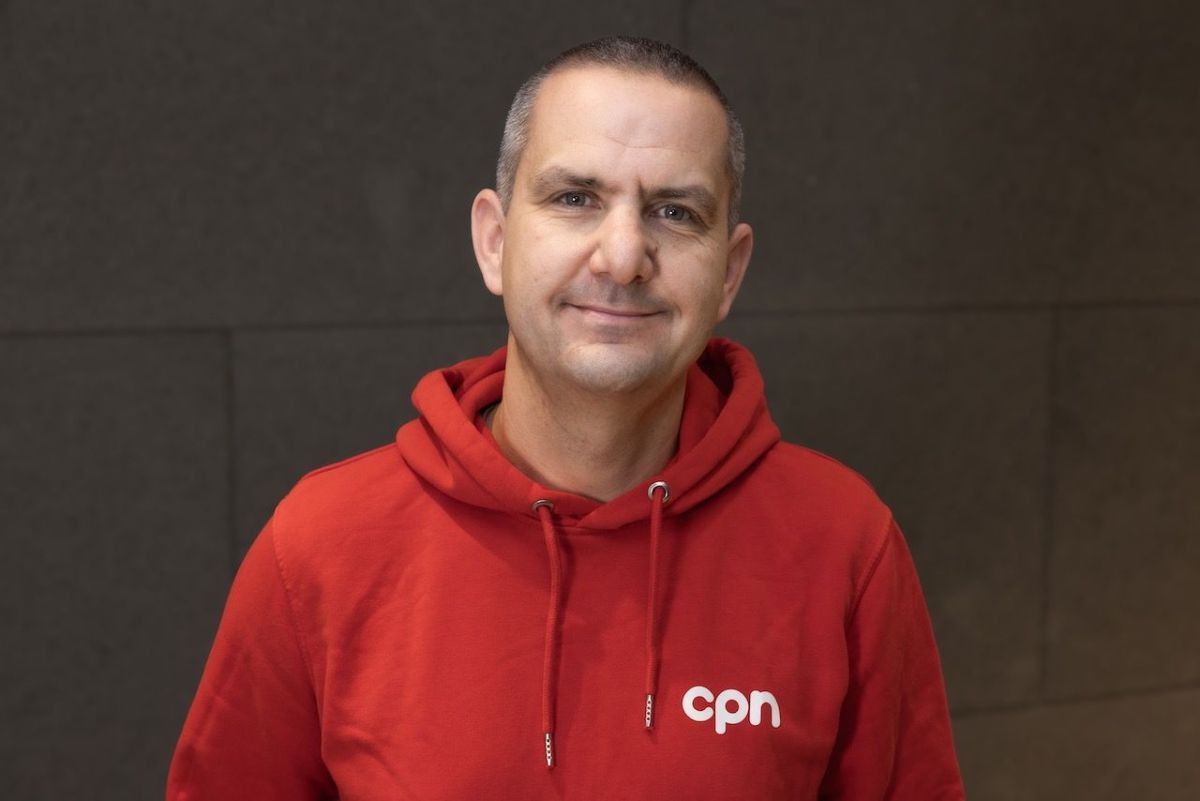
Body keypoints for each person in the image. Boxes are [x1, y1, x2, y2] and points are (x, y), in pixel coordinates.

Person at [167, 35, 965, 800]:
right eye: (575, 199)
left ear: (729, 273)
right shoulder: (322, 545)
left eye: (675, 212)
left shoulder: (844, 545)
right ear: (494, 241)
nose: (622, 256)